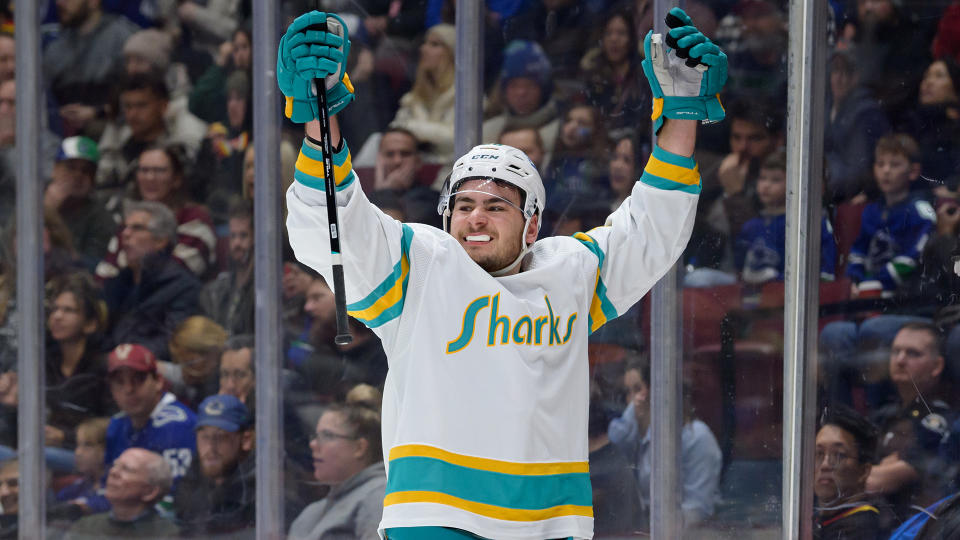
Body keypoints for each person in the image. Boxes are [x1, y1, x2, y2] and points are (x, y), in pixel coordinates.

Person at [278, 7, 726, 538]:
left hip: (551, 523)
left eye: (496, 206)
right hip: (436, 518)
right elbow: (337, 224)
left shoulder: (572, 272)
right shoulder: (418, 265)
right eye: (463, 205)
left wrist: (681, 116)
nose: (475, 217)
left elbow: (652, 229)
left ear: (531, 226)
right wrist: (317, 115)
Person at [608, 357, 722, 527]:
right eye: (628, 392)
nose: (634, 398)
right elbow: (613, 444)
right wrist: (631, 415)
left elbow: (699, 509)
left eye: (638, 389)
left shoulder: (697, 437)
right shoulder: (635, 436)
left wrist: (654, 528)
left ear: (655, 391)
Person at [867, 323, 953, 530]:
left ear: (937, 366)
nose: (900, 360)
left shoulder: (937, 420)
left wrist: (872, 470)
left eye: (913, 353)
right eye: (896, 351)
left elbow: (874, 482)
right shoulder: (883, 414)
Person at [99, 201, 202, 359]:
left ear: (161, 240)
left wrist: (124, 358)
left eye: (137, 228)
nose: (125, 234)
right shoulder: (117, 284)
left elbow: (172, 343)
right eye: (125, 227)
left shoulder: (183, 287)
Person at [97, 144, 217, 279]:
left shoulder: (195, 218)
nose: (150, 178)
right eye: (144, 170)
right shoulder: (130, 222)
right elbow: (105, 274)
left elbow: (178, 272)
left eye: (159, 171)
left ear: (176, 179)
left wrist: (129, 269)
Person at [846, 133, 935, 297]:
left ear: (914, 171)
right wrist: (854, 280)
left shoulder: (921, 212)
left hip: (903, 297)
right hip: (866, 292)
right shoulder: (871, 211)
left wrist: (878, 281)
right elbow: (859, 250)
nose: (886, 170)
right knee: (837, 325)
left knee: (872, 325)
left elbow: (914, 256)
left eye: (895, 165)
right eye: (880, 164)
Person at [735, 150, 837, 284]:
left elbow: (823, 273)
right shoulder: (751, 226)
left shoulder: (806, 224)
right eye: (762, 178)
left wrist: (776, 280)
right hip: (753, 298)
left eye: (776, 180)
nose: (766, 185)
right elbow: (739, 271)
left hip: (787, 298)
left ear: (796, 184)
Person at [288, 403, 386, 540]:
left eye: (327, 436)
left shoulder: (377, 496)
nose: (313, 444)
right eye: (315, 436)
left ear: (359, 447)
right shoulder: (312, 512)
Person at [96, 72, 206, 194]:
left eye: (141, 106)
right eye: (128, 106)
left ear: (163, 106)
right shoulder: (118, 144)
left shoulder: (176, 151)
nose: (133, 114)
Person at [42, 0, 138, 138]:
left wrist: (97, 112)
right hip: (62, 135)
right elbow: (45, 98)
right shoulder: (55, 48)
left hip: (112, 131)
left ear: (93, 2)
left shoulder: (124, 38)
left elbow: (139, 95)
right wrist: (57, 114)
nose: (59, 3)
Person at [104, 343, 196, 484]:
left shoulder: (178, 427)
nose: (128, 389)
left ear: (158, 381)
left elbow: (174, 496)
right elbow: (108, 487)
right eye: (119, 382)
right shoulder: (116, 426)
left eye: (138, 379)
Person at [173, 394, 255, 538]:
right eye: (204, 437)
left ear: (246, 440)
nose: (210, 448)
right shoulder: (191, 485)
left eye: (221, 437)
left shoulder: (264, 491)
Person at [63, 448, 178, 539]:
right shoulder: (85, 527)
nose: (113, 472)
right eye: (115, 465)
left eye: (127, 469)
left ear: (150, 492)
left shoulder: (168, 535)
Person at [824, 48, 891, 204]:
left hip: (849, 196)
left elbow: (860, 169)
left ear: (858, 77)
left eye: (848, 72)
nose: (840, 79)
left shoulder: (867, 113)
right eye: (835, 71)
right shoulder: (820, 107)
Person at [43, 136, 116, 270]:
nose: (78, 176)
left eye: (86, 171)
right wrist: (46, 211)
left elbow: (94, 265)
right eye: (71, 168)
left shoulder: (100, 218)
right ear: (55, 169)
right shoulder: (32, 201)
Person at [389, 24, 456, 167]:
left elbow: (455, 139)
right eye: (425, 43)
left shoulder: (466, 98)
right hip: (415, 168)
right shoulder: (413, 97)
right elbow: (396, 130)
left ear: (452, 52)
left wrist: (413, 128)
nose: (423, 49)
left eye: (434, 44)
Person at [813, 406, 881, 539]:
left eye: (839, 455)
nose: (825, 464)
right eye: (819, 454)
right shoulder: (818, 519)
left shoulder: (862, 529)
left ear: (864, 471)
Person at [199, 198, 255, 335]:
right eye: (233, 236)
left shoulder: (266, 289)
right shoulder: (216, 291)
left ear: (256, 237)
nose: (236, 243)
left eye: (243, 236)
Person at [371, 127, 441, 227]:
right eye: (390, 154)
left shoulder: (433, 202)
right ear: (379, 161)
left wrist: (385, 192)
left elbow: (394, 236)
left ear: (418, 161)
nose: (397, 161)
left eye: (405, 154)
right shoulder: (361, 197)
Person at [165, 316, 227, 410]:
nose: (184, 373)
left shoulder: (225, 385)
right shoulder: (200, 386)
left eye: (190, 364)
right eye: (180, 364)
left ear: (211, 353)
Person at [55, 418, 110, 516]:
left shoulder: (115, 486)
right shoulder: (82, 484)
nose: (78, 453)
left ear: (107, 449)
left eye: (87, 446)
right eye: (78, 445)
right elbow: (59, 500)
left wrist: (82, 507)